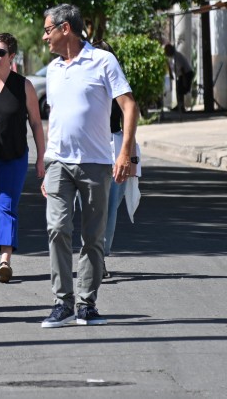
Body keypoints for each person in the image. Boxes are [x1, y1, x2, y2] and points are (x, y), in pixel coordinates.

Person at [39, 4, 138, 329]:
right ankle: (62, 302)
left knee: (93, 236)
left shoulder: (102, 61)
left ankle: (86, 304)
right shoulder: (53, 69)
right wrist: (47, 161)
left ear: (65, 28)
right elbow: (55, 116)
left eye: (47, 29)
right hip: (59, 163)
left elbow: (129, 106)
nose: (44, 36)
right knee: (57, 228)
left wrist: (125, 153)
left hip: (96, 163)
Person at [0, 32, 45, 283]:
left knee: (6, 206)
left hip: (14, 158)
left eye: (0, 52)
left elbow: (36, 123)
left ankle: (5, 261)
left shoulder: (23, 86)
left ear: (11, 57)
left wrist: (41, 158)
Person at [93, 40, 143, 279]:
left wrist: (131, 156)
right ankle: (92, 256)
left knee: (110, 209)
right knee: (92, 209)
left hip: (115, 149)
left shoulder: (117, 85)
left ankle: (99, 257)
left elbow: (129, 117)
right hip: (89, 150)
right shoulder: (85, 83)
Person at [164, 43, 194, 112]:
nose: (166, 53)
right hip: (180, 74)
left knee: (181, 90)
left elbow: (182, 69)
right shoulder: (171, 57)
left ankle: (181, 106)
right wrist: (171, 74)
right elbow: (169, 65)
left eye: (167, 51)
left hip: (186, 73)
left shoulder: (176, 57)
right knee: (178, 89)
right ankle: (179, 106)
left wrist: (184, 80)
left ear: (170, 50)